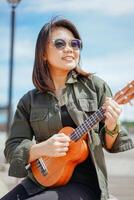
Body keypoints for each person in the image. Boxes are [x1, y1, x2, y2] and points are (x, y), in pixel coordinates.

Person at [2, 17, 134, 200]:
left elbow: (111, 143)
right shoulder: (29, 100)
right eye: (60, 43)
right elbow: (11, 149)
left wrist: (112, 126)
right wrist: (42, 149)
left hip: (83, 185)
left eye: (75, 43)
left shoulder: (95, 86)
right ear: (43, 54)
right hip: (39, 181)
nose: (70, 49)